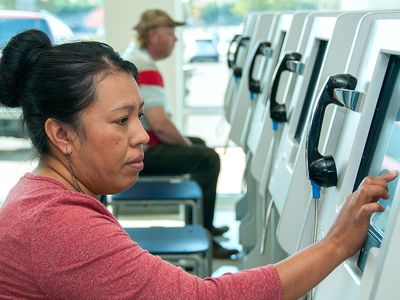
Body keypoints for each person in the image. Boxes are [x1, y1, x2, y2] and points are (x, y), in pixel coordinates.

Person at [0, 29, 397, 299]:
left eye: (139, 116)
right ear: (62, 135)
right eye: (121, 121)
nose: (141, 135)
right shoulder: (55, 225)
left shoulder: (44, 199)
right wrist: (337, 244)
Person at [122, 9, 237, 259]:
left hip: (135, 146)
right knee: (207, 158)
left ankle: (197, 225)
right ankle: (204, 235)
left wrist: (188, 145)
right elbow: (160, 124)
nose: (175, 39)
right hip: (143, 152)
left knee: (199, 145)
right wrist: (186, 146)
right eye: (170, 33)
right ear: (153, 35)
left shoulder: (134, 59)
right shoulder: (146, 68)